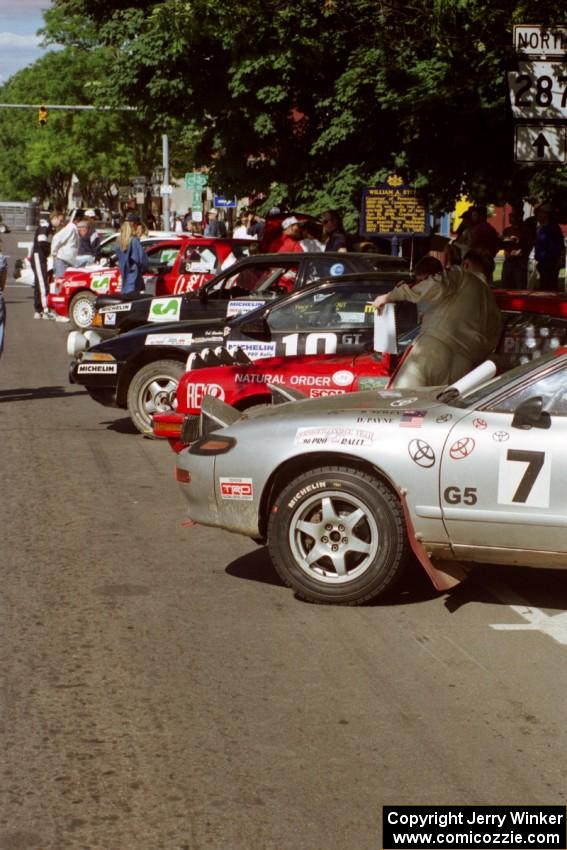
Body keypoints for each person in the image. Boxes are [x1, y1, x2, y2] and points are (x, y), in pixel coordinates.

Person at [373, 251, 502, 388]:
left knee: (401, 400)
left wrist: (390, 296)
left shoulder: (462, 275)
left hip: (433, 349)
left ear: (466, 264)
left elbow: (437, 285)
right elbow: (490, 343)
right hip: (464, 366)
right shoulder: (493, 306)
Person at [32, 211, 60, 318]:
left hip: (39, 256)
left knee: (39, 284)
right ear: (55, 218)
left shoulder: (48, 227)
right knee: (43, 283)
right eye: (60, 220)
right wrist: (51, 249)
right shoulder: (45, 226)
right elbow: (42, 241)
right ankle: (45, 309)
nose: (60, 223)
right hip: (39, 256)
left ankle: (38, 309)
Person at [501, 209, 534, 290]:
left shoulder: (526, 231)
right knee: (506, 287)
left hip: (520, 264)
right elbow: (502, 244)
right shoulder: (507, 230)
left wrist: (520, 247)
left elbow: (528, 245)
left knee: (519, 287)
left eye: (512, 216)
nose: (510, 218)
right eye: (510, 216)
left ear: (519, 217)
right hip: (508, 262)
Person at [534, 203, 564, 291]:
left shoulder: (553, 228)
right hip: (542, 263)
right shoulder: (541, 228)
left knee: (550, 288)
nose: (538, 216)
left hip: (550, 264)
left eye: (540, 213)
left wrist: (554, 260)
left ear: (545, 214)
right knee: (543, 287)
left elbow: (559, 246)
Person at [115, 219, 149, 294]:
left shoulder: (118, 242)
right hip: (134, 276)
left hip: (124, 275)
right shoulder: (134, 241)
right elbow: (141, 258)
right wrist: (145, 268)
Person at [50, 214, 79, 278]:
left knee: (64, 282)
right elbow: (57, 239)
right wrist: (54, 254)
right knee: (61, 282)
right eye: (61, 220)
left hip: (67, 260)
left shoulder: (72, 228)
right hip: (63, 260)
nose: (61, 223)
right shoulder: (71, 228)